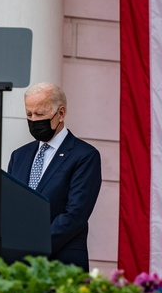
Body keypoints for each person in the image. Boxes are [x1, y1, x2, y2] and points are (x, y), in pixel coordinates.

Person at [7, 82, 101, 270]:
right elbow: (9, 207)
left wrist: (33, 247)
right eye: (29, 114)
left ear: (61, 113)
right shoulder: (19, 156)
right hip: (18, 267)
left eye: (40, 114)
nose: (33, 120)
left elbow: (75, 214)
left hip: (62, 265)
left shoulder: (84, 156)